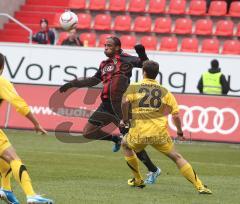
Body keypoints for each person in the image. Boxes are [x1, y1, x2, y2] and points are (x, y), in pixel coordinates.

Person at [59, 36, 161, 184]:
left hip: (122, 105)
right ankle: (115, 139)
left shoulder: (126, 59)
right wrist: (72, 84)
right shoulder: (104, 64)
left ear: (118, 47)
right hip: (106, 104)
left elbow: (145, 65)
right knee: (88, 132)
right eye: (105, 45)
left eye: (109, 45)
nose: (106, 47)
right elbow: (93, 81)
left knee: (131, 142)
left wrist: (141, 52)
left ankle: (152, 170)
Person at [120, 60, 212, 194]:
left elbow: (124, 103)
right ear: (156, 74)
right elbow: (175, 115)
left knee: (125, 144)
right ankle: (200, 186)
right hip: (159, 134)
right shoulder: (165, 91)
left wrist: (125, 119)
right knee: (177, 157)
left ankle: (138, 179)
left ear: (143, 72)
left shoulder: (134, 87)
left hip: (139, 132)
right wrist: (180, 132)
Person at [0, 53, 53, 204]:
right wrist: (36, 123)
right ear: (2, 68)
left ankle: (6, 189)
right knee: (14, 159)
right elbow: (19, 104)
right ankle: (31, 195)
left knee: (5, 161)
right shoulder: (2, 82)